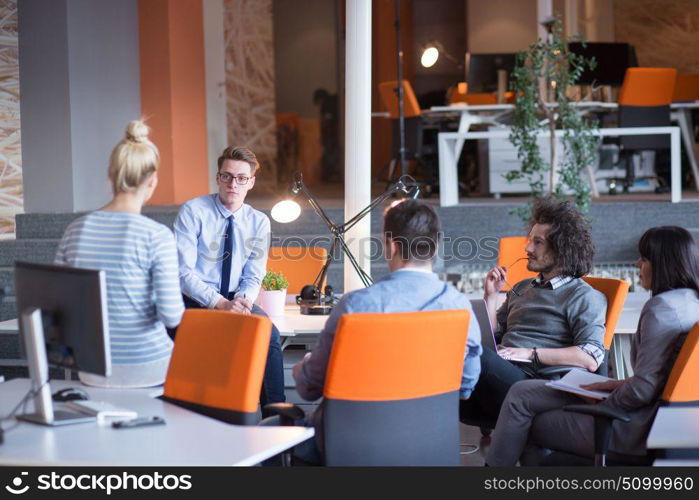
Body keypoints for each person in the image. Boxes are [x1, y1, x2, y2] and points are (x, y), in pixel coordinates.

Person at [266, 199, 482, 464]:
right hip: (431, 445)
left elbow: (310, 388)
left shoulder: (357, 306)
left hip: (349, 446)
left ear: (390, 245)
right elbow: (466, 386)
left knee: (265, 434)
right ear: (436, 245)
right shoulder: (459, 307)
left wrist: (303, 366)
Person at [487, 226, 699, 465]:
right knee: (521, 396)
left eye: (644, 258)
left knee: (525, 422)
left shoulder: (661, 310)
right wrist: (612, 384)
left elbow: (643, 389)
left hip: (636, 427)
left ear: (664, 264)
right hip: (679, 425)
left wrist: (602, 400)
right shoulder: (690, 302)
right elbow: (662, 380)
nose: (637, 264)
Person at [54, 120, 184, 388]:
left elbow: (58, 305)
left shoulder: (75, 230)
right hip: (150, 369)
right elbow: (172, 315)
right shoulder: (157, 236)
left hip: (92, 370)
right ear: (152, 181)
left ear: (111, 175)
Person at [462, 196, 607, 421]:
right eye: (530, 240)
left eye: (537, 242)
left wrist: (531, 353)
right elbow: (493, 336)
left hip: (533, 380)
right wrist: (490, 297)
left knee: (475, 356)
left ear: (561, 248)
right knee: (454, 354)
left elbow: (590, 357)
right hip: (503, 372)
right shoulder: (521, 287)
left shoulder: (584, 296)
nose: (528, 248)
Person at [172, 146, 285, 413]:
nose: (233, 184)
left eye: (241, 178)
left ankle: (277, 419)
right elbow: (182, 272)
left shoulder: (259, 221)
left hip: (236, 300)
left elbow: (254, 273)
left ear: (251, 182)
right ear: (218, 178)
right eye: (227, 176)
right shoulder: (193, 211)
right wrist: (220, 303)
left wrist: (243, 302)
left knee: (268, 335)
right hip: (195, 299)